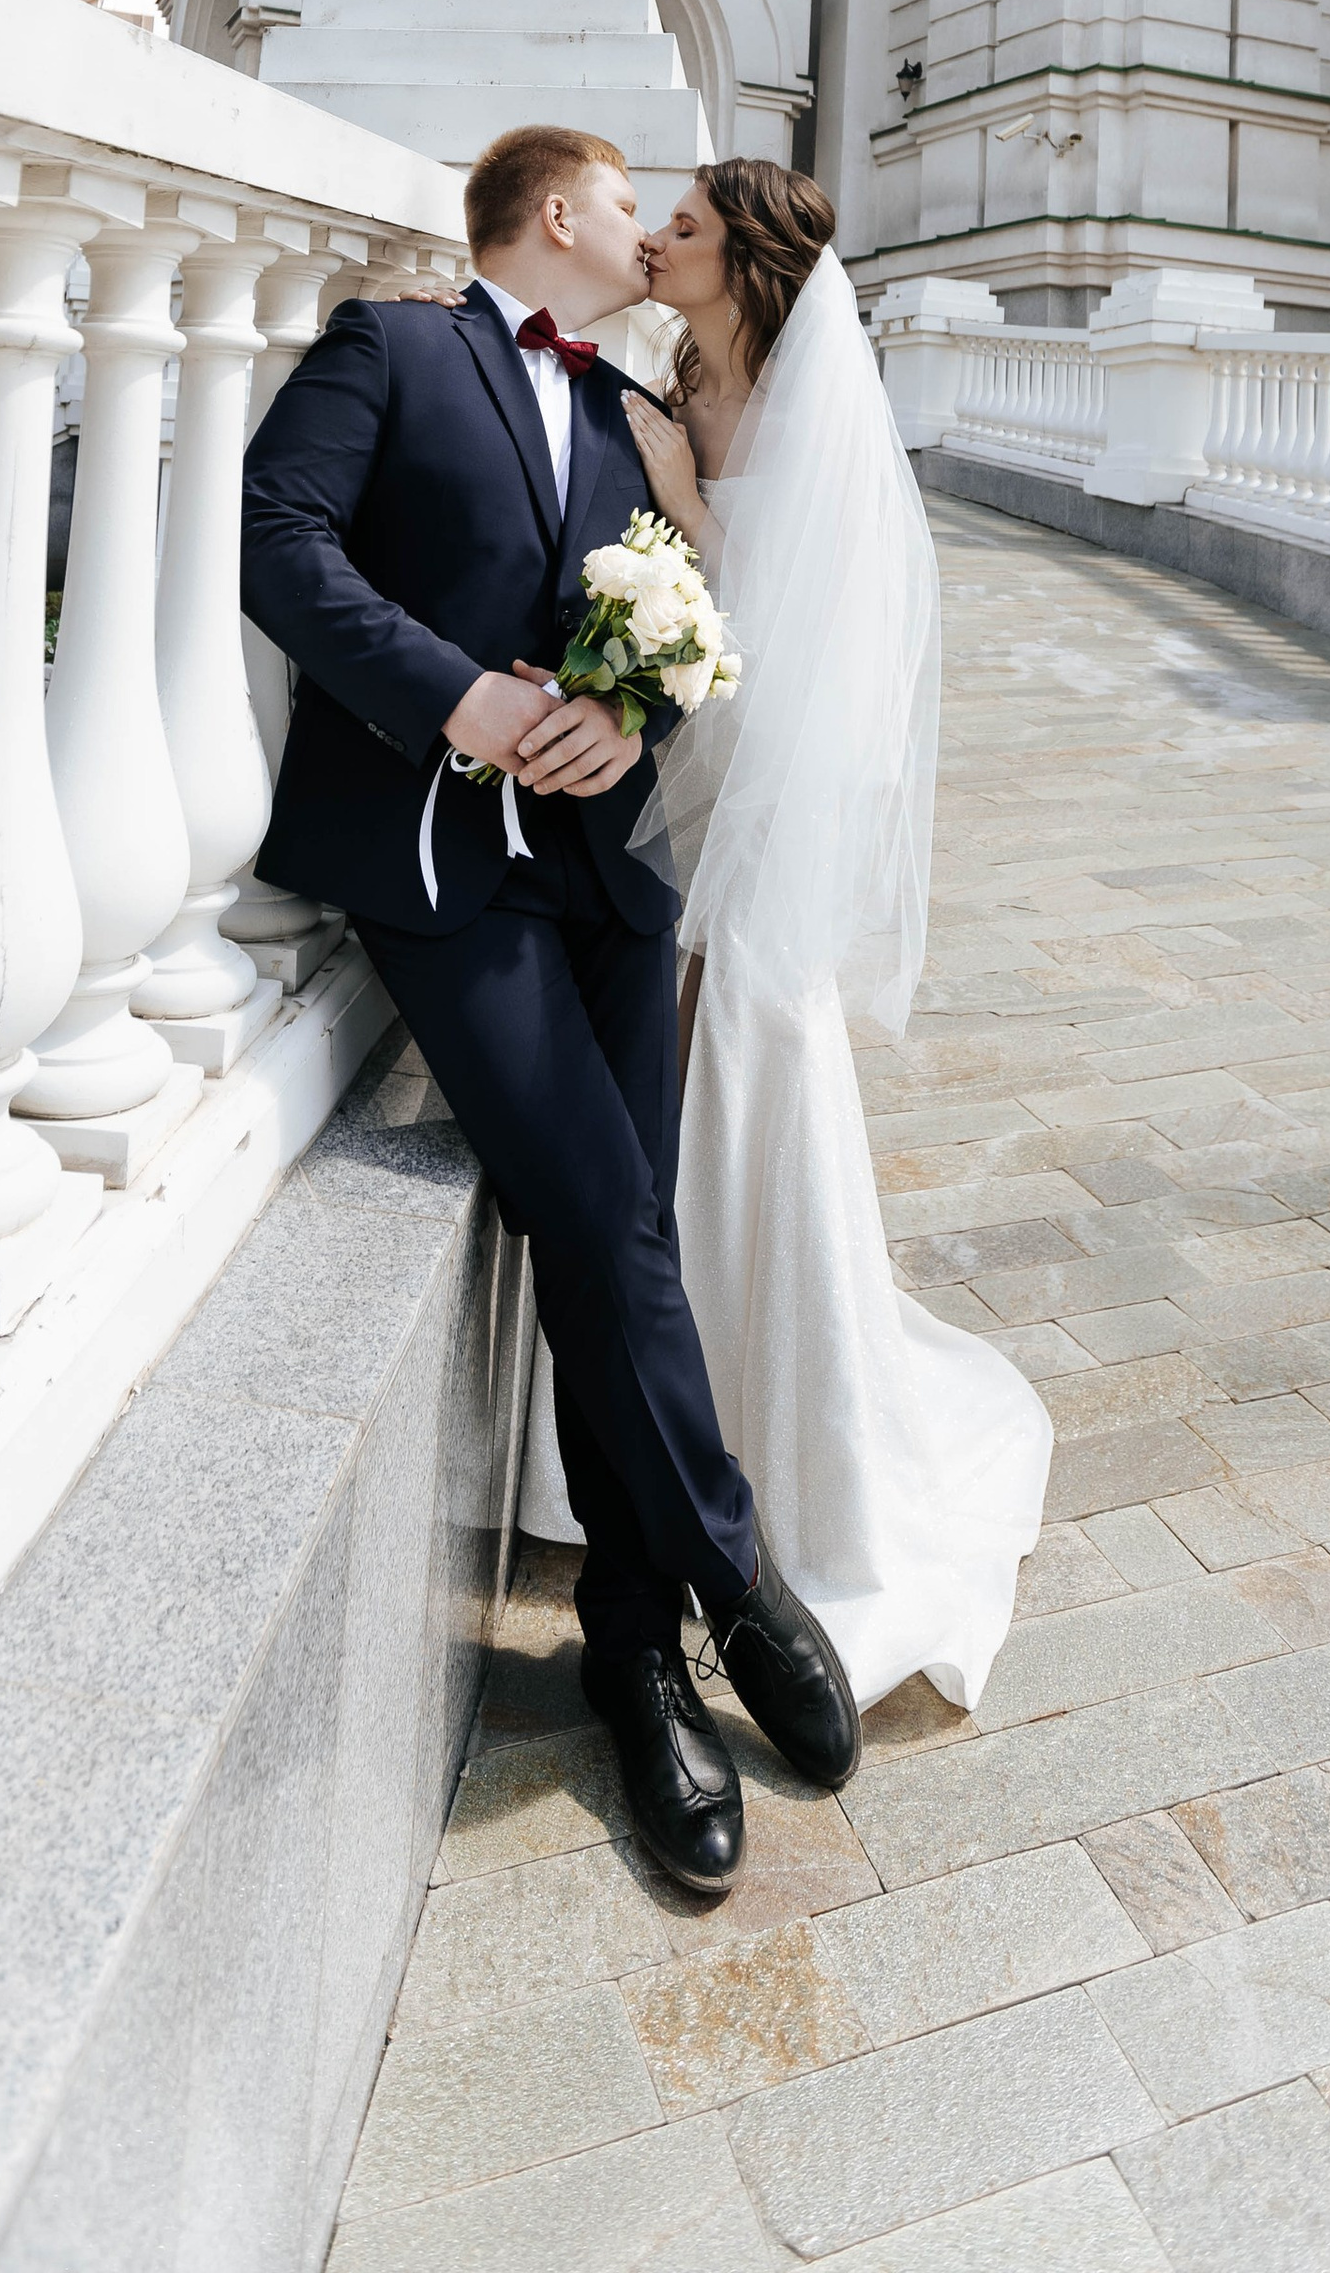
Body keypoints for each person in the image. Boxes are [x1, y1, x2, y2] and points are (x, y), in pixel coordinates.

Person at [238, 123, 862, 1898]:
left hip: (610, 878)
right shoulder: (398, 346)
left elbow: (675, 647)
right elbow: (281, 542)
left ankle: (628, 1640)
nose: (649, 226)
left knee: (624, 1233)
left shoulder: (623, 416)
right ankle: (730, 1586)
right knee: (597, 1209)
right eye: (627, 200)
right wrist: (461, 704)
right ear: (560, 211)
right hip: (443, 867)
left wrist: (625, 723)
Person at [518, 159, 1050, 1711]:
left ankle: (787, 1449)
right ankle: (658, 1426)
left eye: (679, 229)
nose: (654, 242)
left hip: (767, 768)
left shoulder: (800, 406)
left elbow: (800, 623)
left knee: (747, 1035)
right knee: (666, 1049)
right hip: (690, 764)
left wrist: (682, 497)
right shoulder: (674, 371)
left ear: (744, 260)